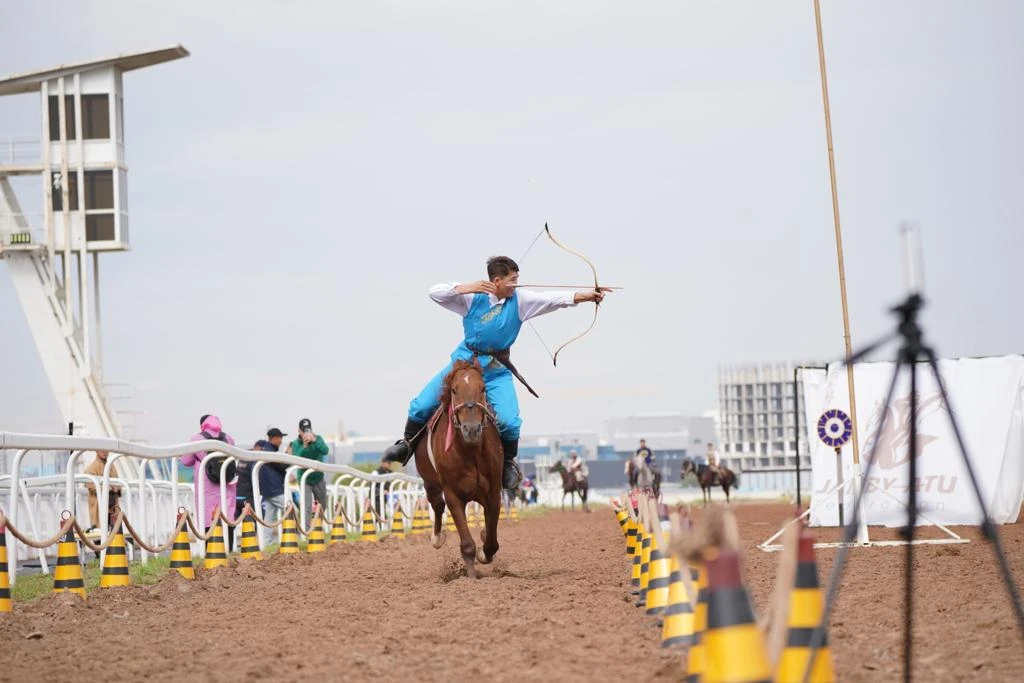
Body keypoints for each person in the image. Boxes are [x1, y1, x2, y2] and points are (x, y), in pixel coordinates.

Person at [382, 255, 610, 490]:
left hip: (496, 371)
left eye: (517, 278)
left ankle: (507, 464)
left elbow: (553, 299)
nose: (516, 284)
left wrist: (587, 296)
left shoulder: (520, 301)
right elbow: (435, 293)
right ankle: (407, 445)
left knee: (510, 422)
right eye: (512, 279)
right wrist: (466, 287)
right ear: (497, 281)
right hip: (463, 366)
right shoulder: (472, 298)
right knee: (421, 405)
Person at [182, 414, 238, 549]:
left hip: (206, 485)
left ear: (202, 425)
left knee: (207, 515)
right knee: (227, 514)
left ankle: (211, 551)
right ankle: (228, 549)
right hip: (227, 483)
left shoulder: (197, 439)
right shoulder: (228, 438)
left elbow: (186, 461)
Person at [288, 418, 329, 524]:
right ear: (299, 431)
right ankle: (306, 530)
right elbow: (297, 458)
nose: (305, 433)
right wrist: (305, 446)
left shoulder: (318, 439)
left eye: (307, 430)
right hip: (304, 479)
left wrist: (315, 440)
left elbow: (325, 451)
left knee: (323, 504)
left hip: (318, 477)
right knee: (306, 506)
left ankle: (317, 526)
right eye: (303, 431)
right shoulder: (296, 444)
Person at [254, 428, 289, 546]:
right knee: (292, 510)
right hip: (275, 489)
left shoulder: (267, 450)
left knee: (268, 518)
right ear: (274, 438)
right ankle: (290, 539)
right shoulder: (269, 452)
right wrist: (289, 456)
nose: (281, 441)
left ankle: (266, 543)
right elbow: (282, 467)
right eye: (280, 438)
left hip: (268, 490)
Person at [83, 450, 120, 531]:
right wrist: (106, 488)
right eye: (102, 451)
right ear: (96, 451)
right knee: (101, 529)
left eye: (106, 450)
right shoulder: (92, 468)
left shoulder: (112, 467)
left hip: (112, 504)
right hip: (99, 504)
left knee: (114, 529)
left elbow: (118, 482)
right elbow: (90, 485)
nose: (104, 452)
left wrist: (117, 488)